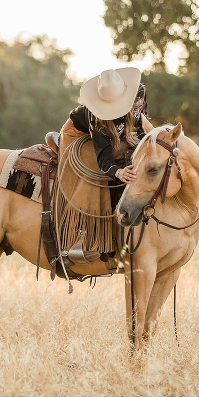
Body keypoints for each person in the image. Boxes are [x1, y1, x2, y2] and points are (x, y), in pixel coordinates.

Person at [50, 68, 152, 264]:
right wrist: (118, 172)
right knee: (92, 171)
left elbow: (140, 121)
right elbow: (104, 156)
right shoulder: (98, 118)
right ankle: (87, 237)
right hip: (78, 135)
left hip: (124, 131)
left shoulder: (139, 92)